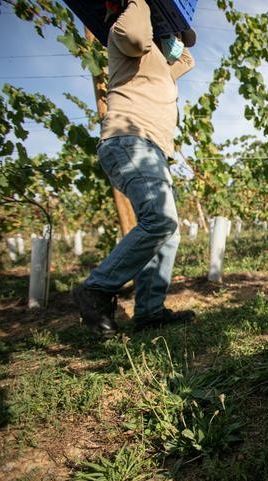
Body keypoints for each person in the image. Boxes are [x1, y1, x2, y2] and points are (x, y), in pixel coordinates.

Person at [73, 0, 195, 337]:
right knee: (160, 219)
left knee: (169, 230)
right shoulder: (125, 40)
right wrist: (141, 1)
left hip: (151, 148)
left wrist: (176, 24)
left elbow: (187, 56)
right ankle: (95, 289)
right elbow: (135, 35)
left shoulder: (158, 62)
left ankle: (149, 312)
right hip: (128, 141)